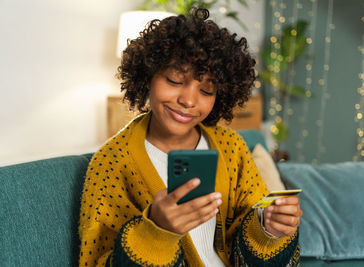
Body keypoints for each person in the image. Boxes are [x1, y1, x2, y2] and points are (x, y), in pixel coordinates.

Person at [79, 8, 302, 267]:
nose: (188, 100)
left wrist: (270, 229)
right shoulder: (111, 163)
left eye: (207, 89)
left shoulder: (232, 147)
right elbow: (96, 260)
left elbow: (253, 224)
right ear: (148, 75)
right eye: (175, 79)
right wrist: (156, 231)